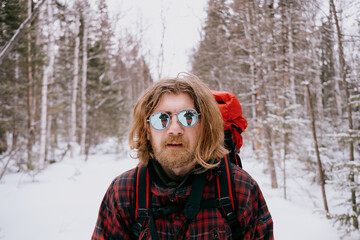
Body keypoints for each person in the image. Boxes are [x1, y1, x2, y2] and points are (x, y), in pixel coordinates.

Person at [92, 72, 273, 239]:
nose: (175, 129)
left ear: (203, 126)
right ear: (147, 129)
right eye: (161, 118)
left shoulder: (240, 190)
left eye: (188, 116)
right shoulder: (124, 193)